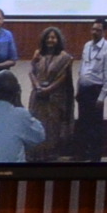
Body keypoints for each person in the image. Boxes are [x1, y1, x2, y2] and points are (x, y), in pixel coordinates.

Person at [27, 28, 73, 160]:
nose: (50, 40)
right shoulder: (38, 54)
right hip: (38, 98)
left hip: (54, 99)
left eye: (53, 37)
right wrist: (37, 86)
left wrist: (48, 89)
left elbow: (63, 77)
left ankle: (50, 156)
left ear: (58, 40)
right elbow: (32, 71)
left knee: (51, 128)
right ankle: (36, 156)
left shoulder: (65, 57)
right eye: (48, 37)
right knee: (36, 126)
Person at [73, 19, 107, 152]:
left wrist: (102, 98)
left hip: (96, 91)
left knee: (95, 125)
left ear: (104, 32)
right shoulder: (87, 45)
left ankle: (95, 155)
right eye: (93, 29)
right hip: (83, 89)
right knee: (82, 121)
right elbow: (82, 68)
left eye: (98, 30)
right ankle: (82, 151)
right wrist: (78, 88)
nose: (94, 32)